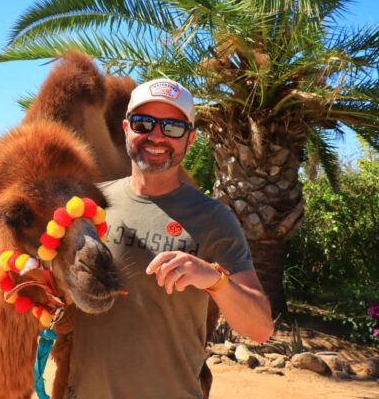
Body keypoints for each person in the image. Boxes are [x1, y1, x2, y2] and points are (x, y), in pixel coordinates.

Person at [66, 79, 273, 398]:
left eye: (173, 127)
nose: (156, 136)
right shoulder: (90, 206)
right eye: (143, 123)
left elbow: (260, 328)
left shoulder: (213, 219)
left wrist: (213, 279)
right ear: (126, 129)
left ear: (189, 139)